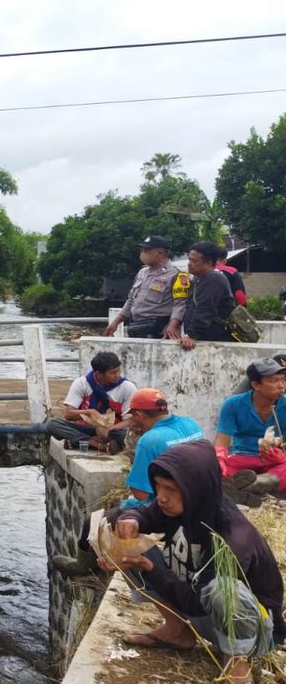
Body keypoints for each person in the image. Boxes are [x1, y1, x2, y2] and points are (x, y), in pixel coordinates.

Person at [105, 441, 284, 684]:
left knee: (222, 589)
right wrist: (131, 520)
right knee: (126, 543)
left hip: (253, 630)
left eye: (170, 488)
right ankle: (177, 631)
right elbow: (145, 514)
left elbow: (197, 601)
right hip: (200, 607)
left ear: (195, 488)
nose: (162, 497)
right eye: (158, 486)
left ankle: (237, 660)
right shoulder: (180, 505)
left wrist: (152, 568)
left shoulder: (233, 537)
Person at [51, 389, 204, 576]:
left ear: (138, 415)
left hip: (168, 506)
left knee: (93, 521)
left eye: (133, 416)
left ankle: (85, 568)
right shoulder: (191, 424)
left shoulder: (150, 440)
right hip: (196, 496)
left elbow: (140, 493)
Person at [215, 357, 286, 500]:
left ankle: (254, 486)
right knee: (216, 470)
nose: (281, 386)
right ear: (256, 385)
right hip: (242, 456)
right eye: (274, 381)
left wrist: (282, 454)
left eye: (283, 380)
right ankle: (257, 488)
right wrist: (219, 459)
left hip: (275, 460)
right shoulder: (233, 404)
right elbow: (222, 440)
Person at [45, 351, 137, 454]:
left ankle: (79, 441)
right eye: (112, 373)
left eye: (118, 371)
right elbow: (69, 415)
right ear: (98, 373)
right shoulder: (81, 383)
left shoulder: (128, 387)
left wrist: (111, 429)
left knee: (127, 435)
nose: (117, 375)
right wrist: (88, 412)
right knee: (52, 424)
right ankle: (97, 445)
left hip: (113, 430)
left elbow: (130, 420)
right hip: (86, 428)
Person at [103, 235, 188, 339]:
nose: (142, 253)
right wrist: (116, 322)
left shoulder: (177, 275)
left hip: (159, 329)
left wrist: (173, 325)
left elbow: (180, 303)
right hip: (137, 327)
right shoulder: (142, 273)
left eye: (146, 250)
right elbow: (131, 300)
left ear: (160, 253)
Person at [179, 241, 236, 350]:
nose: (189, 263)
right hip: (205, 339)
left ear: (208, 263)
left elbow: (205, 309)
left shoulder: (214, 279)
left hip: (215, 341)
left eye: (194, 261)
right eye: (189, 259)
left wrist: (191, 335)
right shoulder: (199, 279)